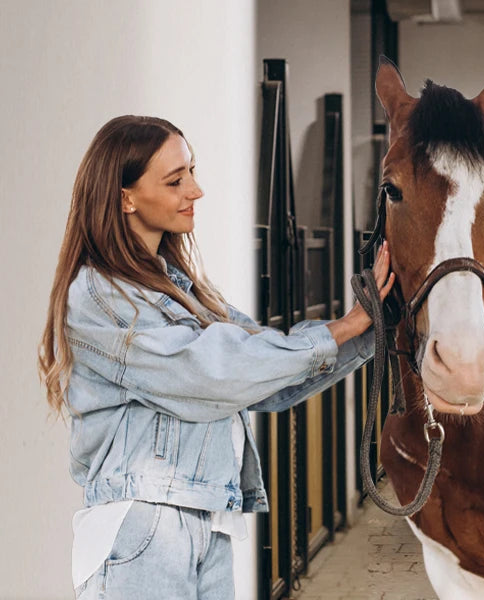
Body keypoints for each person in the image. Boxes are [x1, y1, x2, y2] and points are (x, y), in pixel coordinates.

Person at [37, 115, 394, 599]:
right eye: (176, 180)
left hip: (206, 521)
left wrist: (374, 329)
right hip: (143, 525)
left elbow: (266, 377)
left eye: (192, 172)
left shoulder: (186, 293)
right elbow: (211, 372)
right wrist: (345, 325)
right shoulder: (99, 296)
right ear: (126, 197)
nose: (196, 190)